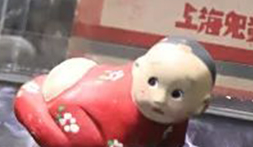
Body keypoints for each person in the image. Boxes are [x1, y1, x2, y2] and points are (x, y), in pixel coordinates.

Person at [15, 37, 216, 147]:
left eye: (176, 94)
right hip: (69, 104)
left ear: (201, 106)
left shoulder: (176, 115)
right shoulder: (127, 111)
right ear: (138, 69)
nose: (159, 99)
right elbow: (66, 103)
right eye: (152, 82)